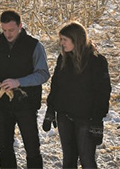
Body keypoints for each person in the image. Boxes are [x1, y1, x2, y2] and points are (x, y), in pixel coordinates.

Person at [0, 10, 50, 169]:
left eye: (11, 30)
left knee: (32, 148)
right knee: (4, 148)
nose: (7, 34)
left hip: (26, 105)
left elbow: (43, 74)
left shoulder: (34, 45)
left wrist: (19, 82)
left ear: (20, 26)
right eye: (4, 30)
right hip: (2, 105)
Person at [42, 21, 111, 168]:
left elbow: (103, 92)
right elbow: (56, 85)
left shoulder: (96, 61)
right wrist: (50, 108)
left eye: (64, 40)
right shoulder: (64, 59)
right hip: (64, 115)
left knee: (87, 160)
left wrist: (98, 118)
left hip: (86, 118)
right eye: (61, 39)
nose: (61, 43)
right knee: (68, 160)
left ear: (76, 39)